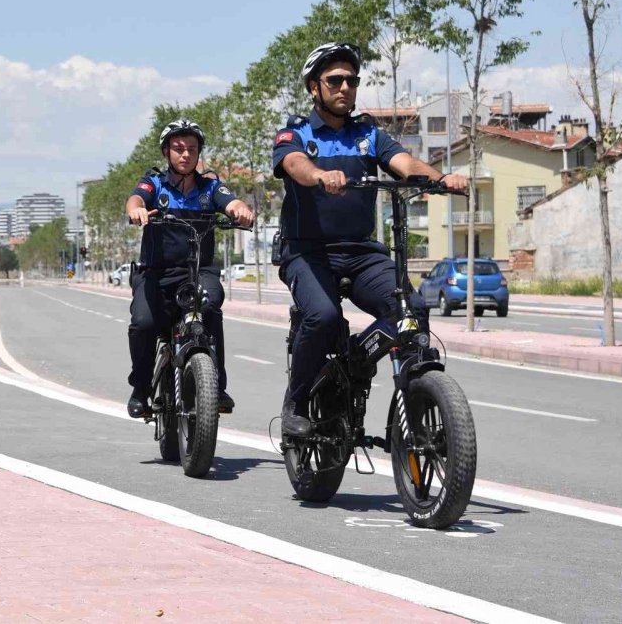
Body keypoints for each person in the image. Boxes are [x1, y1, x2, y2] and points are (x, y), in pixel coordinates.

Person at [272, 42, 469, 436]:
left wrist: (439, 178)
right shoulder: (295, 133)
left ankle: (365, 365)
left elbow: (404, 164)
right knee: (324, 317)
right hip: (308, 253)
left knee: (412, 308)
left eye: (352, 80)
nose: (345, 86)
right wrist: (318, 176)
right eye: (335, 80)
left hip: (361, 253)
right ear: (315, 87)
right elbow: (294, 164)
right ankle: (297, 402)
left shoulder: (368, 134)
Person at [125, 119, 255, 418]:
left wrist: (239, 209)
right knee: (143, 324)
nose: (185, 155)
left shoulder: (210, 187)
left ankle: (217, 386)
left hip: (199, 272)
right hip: (156, 274)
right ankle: (140, 388)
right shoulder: (154, 183)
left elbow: (230, 200)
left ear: (199, 154)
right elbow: (136, 197)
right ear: (166, 152)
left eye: (192, 149)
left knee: (211, 307)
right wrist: (136, 209)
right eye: (178, 149)